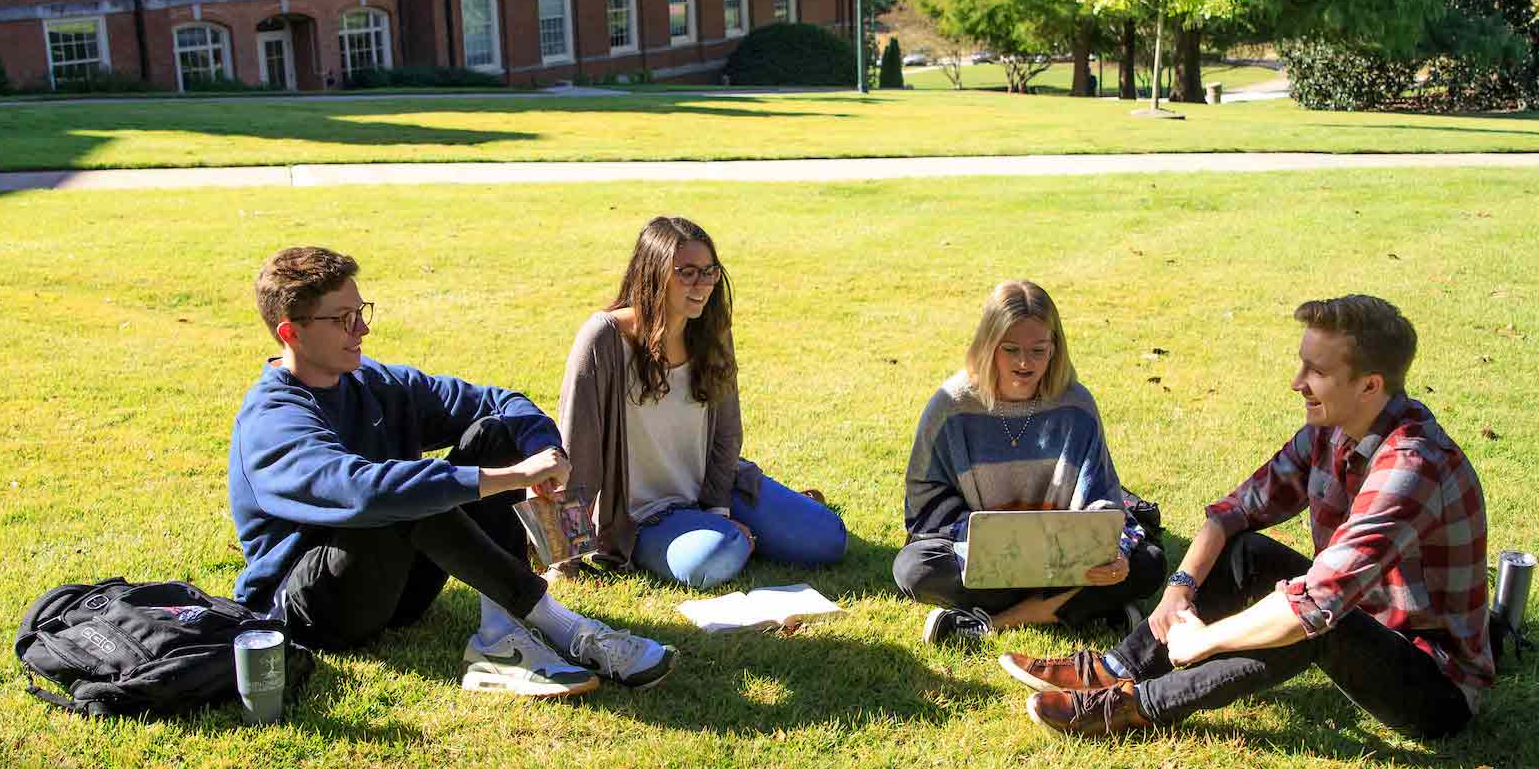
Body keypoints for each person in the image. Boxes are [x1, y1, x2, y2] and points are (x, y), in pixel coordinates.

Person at [1003, 295, 1492, 741]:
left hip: (1436, 686)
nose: (1297, 382)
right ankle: (1117, 666)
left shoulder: (1410, 466)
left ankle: (1136, 707)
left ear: (1369, 385)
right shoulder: (1332, 430)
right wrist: (1177, 591)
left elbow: (1315, 605)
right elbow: (1231, 515)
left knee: (1317, 621)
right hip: (1360, 616)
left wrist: (1202, 642)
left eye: (1316, 371)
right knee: (1246, 551)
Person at [228, 246, 676, 699]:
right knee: (399, 493)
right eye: (343, 319)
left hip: (402, 593)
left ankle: (501, 630)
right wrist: (508, 478)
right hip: (318, 609)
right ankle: (560, 625)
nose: (362, 328)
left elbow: (498, 402)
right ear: (292, 333)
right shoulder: (274, 419)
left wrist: (543, 453)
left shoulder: (375, 383)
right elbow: (363, 492)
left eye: (361, 311)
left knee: (497, 434)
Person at [558, 216, 847, 589]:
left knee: (829, 539)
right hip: (645, 515)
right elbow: (576, 449)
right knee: (711, 561)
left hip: (714, 488)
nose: (703, 285)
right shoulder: (605, 338)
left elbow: (728, 431)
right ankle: (733, 534)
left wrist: (718, 510)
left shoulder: (712, 332)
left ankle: (741, 524)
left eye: (710, 272)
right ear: (653, 274)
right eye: (688, 273)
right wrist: (565, 553)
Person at [895, 279, 1165, 644]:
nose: (1025, 363)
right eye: (1011, 349)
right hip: (978, 554)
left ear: (1055, 348)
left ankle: (996, 620)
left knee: (1147, 563)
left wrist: (1112, 555)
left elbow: (1102, 496)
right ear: (988, 346)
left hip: (1065, 551)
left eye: (1039, 350)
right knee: (914, 568)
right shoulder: (950, 406)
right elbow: (924, 504)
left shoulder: (1076, 405)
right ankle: (1085, 607)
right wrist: (988, 542)